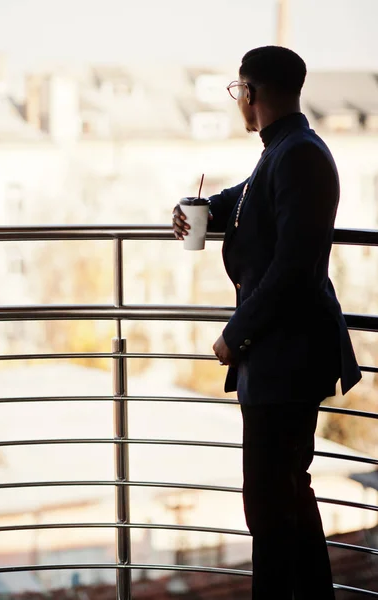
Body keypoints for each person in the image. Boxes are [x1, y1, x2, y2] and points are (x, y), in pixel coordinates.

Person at [172, 46, 361, 600]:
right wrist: (195, 208)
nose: (238, 102)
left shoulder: (298, 154)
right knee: (286, 498)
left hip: (287, 357)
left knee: (270, 506)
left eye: (238, 92)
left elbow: (294, 269)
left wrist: (236, 334)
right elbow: (243, 202)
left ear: (251, 94)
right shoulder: (282, 150)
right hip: (282, 356)